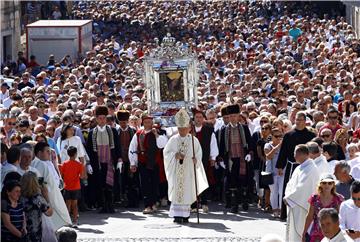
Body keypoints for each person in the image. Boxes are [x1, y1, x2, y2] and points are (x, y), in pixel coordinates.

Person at [163, 108, 208, 223]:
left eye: (184, 128)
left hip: (188, 170)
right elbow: (166, 153)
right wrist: (175, 155)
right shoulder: (173, 140)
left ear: (188, 128)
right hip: (176, 170)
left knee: (187, 191)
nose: (182, 131)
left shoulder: (194, 140)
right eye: (180, 129)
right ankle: (177, 215)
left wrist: (196, 160)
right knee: (177, 191)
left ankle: (185, 215)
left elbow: (199, 154)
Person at [276, 111, 316, 220]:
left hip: (306, 167)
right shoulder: (288, 135)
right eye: (297, 120)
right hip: (291, 166)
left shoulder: (311, 135)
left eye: (300, 120)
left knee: (303, 188)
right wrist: (280, 166)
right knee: (289, 187)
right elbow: (283, 151)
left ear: (305, 121)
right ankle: (285, 213)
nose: (298, 122)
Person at [217, 104, 255, 213]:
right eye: (231, 116)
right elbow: (222, 146)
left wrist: (249, 153)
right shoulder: (224, 129)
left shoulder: (244, 128)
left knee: (243, 180)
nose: (233, 118)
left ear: (238, 116)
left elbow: (249, 142)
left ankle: (244, 201)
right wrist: (221, 160)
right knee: (232, 181)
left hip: (243, 158)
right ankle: (234, 204)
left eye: (235, 115)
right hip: (231, 159)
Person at [129, 113, 168, 214]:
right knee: (145, 184)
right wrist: (133, 163)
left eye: (150, 122)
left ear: (152, 123)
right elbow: (133, 148)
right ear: (143, 123)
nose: (148, 124)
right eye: (146, 122)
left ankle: (154, 203)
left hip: (155, 162)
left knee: (154, 183)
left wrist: (156, 135)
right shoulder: (138, 133)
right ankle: (147, 205)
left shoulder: (157, 132)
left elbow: (163, 145)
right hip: (143, 162)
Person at [86, 105, 122, 213]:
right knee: (100, 184)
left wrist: (119, 159)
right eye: (99, 118)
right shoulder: (92, 133)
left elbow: (117, 146)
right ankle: (102, 205)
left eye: (103, 118)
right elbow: (89, 149)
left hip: (110, 161)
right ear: (96, 119)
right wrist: (88, 164)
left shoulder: (113, 131)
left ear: (106, 118)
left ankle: (110, 205)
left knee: (109, 184)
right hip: (98, 162)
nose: (102, 120)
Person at [31, 141, 72, 230]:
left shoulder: (48, 163)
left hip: (55, 193)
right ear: (39, 153)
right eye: (47, 152)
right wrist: (47, 201)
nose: (49, 154)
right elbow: (42, 184)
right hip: (47, 197)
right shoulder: (38, 165)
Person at [284, 144, 321, 242]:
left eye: (296, 154)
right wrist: (287, 196)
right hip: (294, 203)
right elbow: (290, 183)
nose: (294, 156)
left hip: (301, 205)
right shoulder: (299, 167)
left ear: (304, 154)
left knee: (300, 231)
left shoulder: (311, 169)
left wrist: (289, 198)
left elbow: (303, 188)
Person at [303, 174, 344, 242]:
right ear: (320, 184)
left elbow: (340, 217)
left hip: (332, 233)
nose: (327, 185)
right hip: (316, 234)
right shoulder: (314, 198)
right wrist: (304, 233)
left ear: (333, 184)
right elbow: (309, 216)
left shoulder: (338, 199)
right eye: (324, 183)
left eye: (330, 183)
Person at [192, 108, 219, 213]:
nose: (198, 119)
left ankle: (204, 203)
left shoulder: (208, 130)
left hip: (204, 158)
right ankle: (194, 204)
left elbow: (213, 143)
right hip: (191, 159)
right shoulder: (189, 129)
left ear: (203, 118)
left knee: (203, 180)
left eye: (200, 117)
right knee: (192, 181)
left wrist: (213, 157)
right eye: (196, 117)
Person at [20, 171, 53, 242]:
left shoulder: (18, 196)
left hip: (19, 231)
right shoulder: (38, 199)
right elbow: (49, 213)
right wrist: (46, 196)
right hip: (34, 233)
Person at [115, 110, 138, 207]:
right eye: (121, 123)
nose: (123, 124)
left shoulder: (133, 131)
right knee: (122, 181)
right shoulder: (116, 132)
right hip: (121, 160)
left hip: (131, 159)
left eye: (124, 122)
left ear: (127, 121)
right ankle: (124, 200)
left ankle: (133, 201)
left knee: (132, 180)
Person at [59, 146, 84, 228]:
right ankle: (75, 221)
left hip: (67, 187)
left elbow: (61, 175)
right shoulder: (79, 164)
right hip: (76, 187)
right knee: (75, 205)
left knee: (67, 204)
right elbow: (82, 176)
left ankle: (67, 221)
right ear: (76, 154)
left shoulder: (64, 164)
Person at [264, 128, 284, 218]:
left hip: (282, 172)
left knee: (281, 191)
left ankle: (281, 209)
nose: (279, 138)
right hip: (271, 172)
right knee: (274, 192)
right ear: (272, 136)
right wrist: (277, 147)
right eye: (276, 136)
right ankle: (275, 209)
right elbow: (268, 156)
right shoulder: (267, 145)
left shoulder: (284, 146)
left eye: (281, 136)